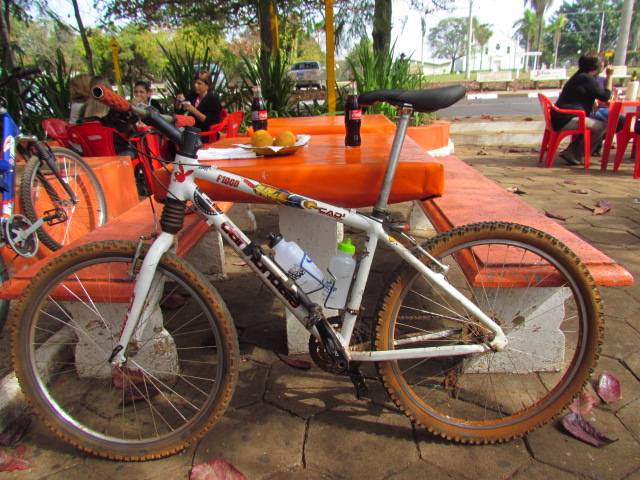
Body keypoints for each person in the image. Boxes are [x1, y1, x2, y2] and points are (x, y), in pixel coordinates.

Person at [551, 53, 613, 165]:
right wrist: (610, 76)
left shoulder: (580, 76)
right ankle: (576, 154)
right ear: (598, 66)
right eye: (603, 64)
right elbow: (605, 96)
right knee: (602, 126)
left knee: (598, 122)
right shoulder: (586, 78)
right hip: (566, 119)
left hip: (562, 116)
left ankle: (573, 151)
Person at [80, 76, 137, 157]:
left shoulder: (83, 110)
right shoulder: (116, 110)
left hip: (92, 155)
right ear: (109, 89)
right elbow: (125, 133)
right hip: (117, 153)